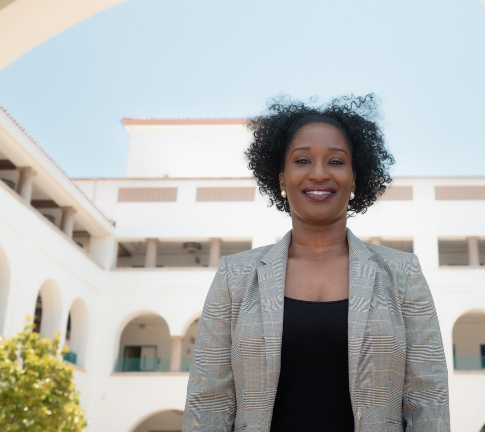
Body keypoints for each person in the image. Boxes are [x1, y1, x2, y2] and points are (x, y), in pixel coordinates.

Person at [183, 94, 449, 432]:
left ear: (354, 179)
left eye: (336, 162)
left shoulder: (403, 274)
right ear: (281, 179)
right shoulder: (235, 276)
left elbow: (428, 402)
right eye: (303, 160)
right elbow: (209, 404)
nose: (319, 173)